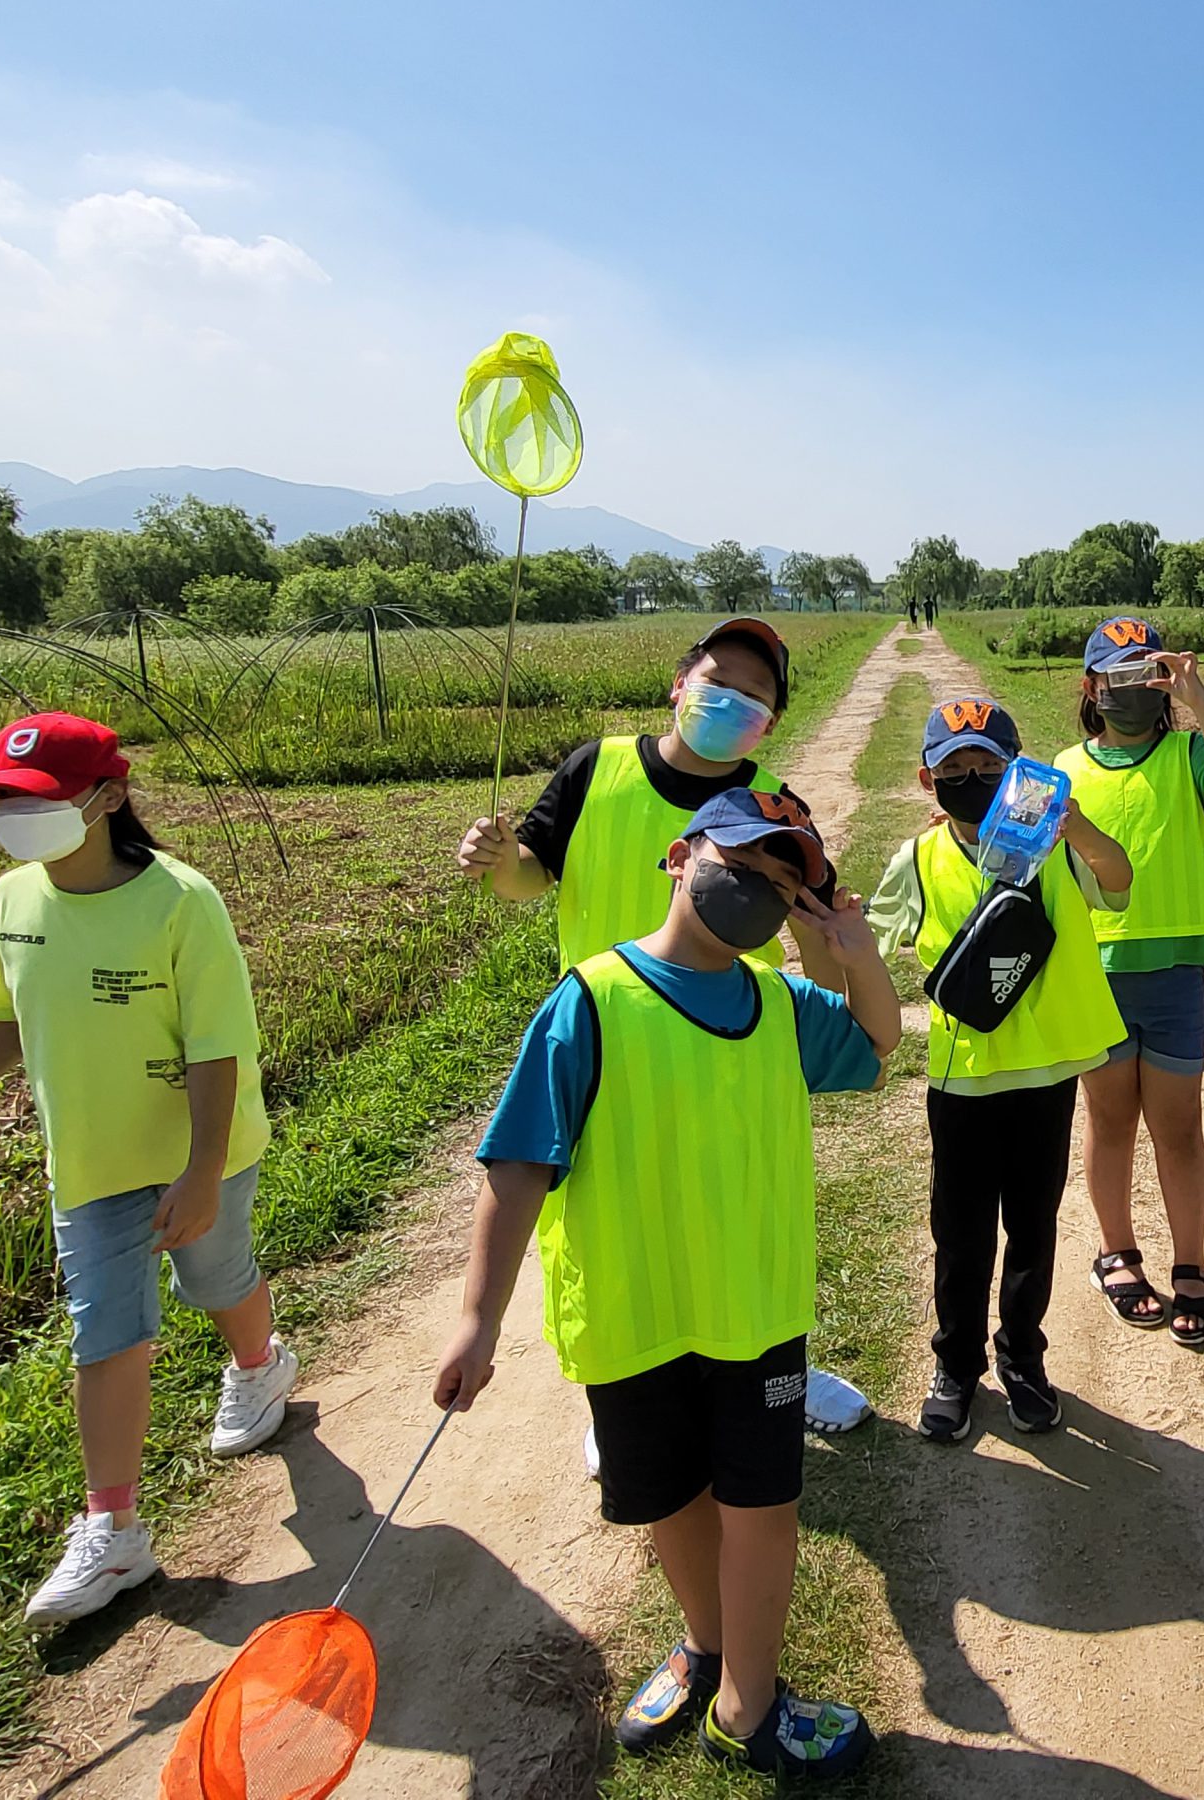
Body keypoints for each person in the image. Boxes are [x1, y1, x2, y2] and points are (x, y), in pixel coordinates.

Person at [434, 786, 899, 1776]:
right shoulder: (591, 1001)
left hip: (753, 1310)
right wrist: (477, 1322)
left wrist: (855, 957)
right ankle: (707, 1645)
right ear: (681, 854)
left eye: (784, 880)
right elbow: (518, 1164)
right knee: (671, 1499)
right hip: (635, 1312)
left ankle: (750, 1705)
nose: (758, 887)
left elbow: (875, 1048)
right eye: (742, 861)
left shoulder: (781, 1003)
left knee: (761, 1503)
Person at [0, 713, 294, 1628]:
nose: (10, 815)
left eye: (32, 799)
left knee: (214, 1274)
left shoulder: (180, 901)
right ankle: (112, 1528)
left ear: (107, 797)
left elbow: (215, 1052)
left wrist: (198, 1175)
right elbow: (2, 1026)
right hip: (88, 1161)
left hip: (204, 1155)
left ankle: (260, 1362)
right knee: (105, 1333)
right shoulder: (11, 904)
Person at [455, 616, 871, 1440]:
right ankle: (619, 1387)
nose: (731, 701)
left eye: (754, 696)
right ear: (678, 684)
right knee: (612, 1232)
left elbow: (812, 938)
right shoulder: (595, 769)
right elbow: (534, 875)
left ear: (772, 722)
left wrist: (835, 963)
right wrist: (500, 861)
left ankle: (779, 1358)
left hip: (730, 1042)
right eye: (718, 681)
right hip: (613, 1042)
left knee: (743, 1216)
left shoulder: (773, 804)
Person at [872, 698, 1131, 1440]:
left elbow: (1119, 882)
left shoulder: (1056, 846)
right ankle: (955, 1365)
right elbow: (867, 941)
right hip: (963, 1080)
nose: (974, 776)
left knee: (1033, 1227)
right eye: (955, 767)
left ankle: (1023, 1357)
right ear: (928, 779)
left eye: (990, 763)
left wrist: (1073, 821)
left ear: (1019, 769)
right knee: (959, 1234)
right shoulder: (918, 859)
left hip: (1045, 1075)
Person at [1052, 617, 1204, 1345]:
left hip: (1174, 976)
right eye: (1119, 676)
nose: (1134, 689)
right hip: (1094, 974)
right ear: (1092, 687)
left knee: (1179, 1130)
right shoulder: (1062, 770)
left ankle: (1191, 1266)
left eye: (1149, 674)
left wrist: (1199, 695)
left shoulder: (1189, 751)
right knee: (1108, 1123)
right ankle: (1116, 1253)